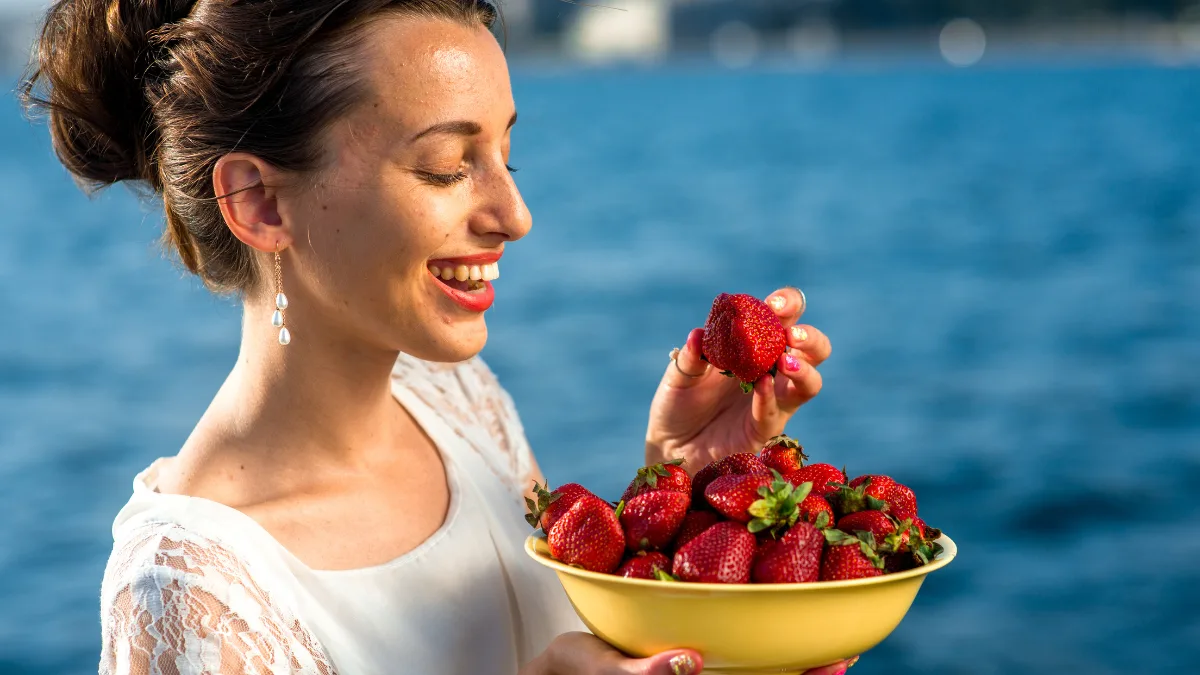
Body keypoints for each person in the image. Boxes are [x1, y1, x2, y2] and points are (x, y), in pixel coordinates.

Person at [21, 1, 845, 673]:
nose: (514, 216)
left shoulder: (460, 402)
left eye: (507, 156)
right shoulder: (192, 597)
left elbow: (574, 646)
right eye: (448, 167)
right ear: (260, 204)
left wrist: (677, 493)